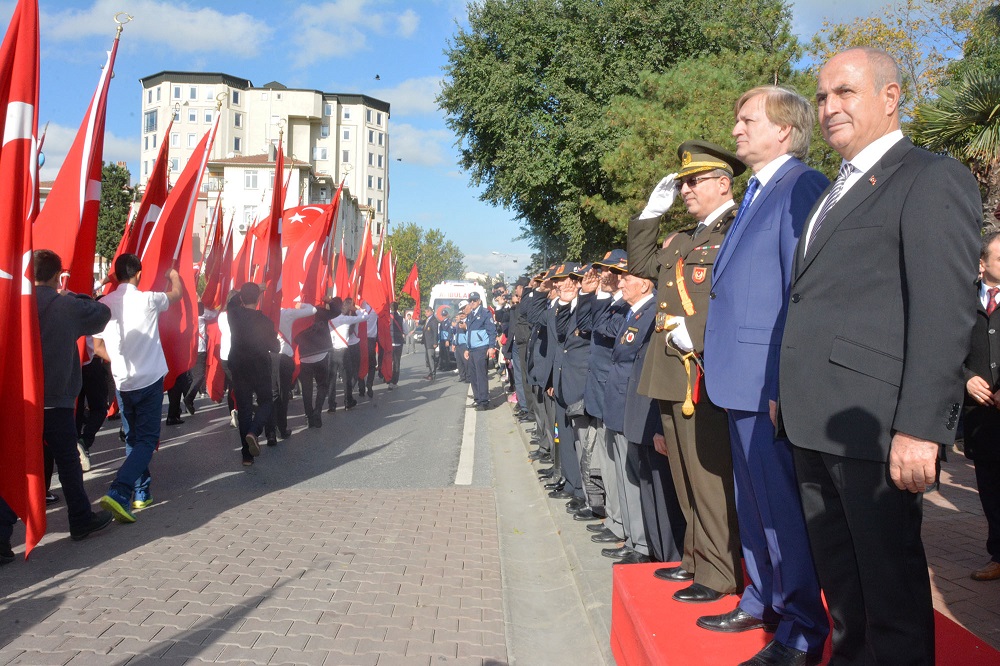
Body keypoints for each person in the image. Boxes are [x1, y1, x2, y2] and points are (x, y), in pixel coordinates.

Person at [780, 47, 982, 664]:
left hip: (876, 427)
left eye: (845, 92)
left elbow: (945, 311)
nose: (829, 107)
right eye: (821, 97)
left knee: (889, 599)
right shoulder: (830, 193)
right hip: (814, 420)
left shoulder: (929, 176)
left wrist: (920, 427)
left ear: (891, 99)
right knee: (844, 594)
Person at [700, 85, 830, 665]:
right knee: (751, 502)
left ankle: (802, 628)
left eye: (746, 119)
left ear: (784, 130)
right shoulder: (757, 192)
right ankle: (761, 600)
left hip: (766, 380)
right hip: (737, 377)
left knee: (780, 508)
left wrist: (783, 382)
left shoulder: (800, 186)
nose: (735, 130)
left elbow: (803, 292)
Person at [628, 141, 744, 603]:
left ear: (722, 183)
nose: (684, 189)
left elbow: (738, 296)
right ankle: (695, 559)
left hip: (704, 369)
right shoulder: (683, 239)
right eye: (680, 183)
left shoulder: (738, 228)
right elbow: (641, 265)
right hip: (672, 371)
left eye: (693, 181)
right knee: (683, 475)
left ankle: (720, 572)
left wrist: (701, 336)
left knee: (708, 477)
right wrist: (650, 214)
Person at [93, 253, 183, 523]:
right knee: (146, 441)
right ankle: (120, 490)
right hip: (150, 380)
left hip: (123, 382)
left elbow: (98, 348)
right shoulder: (148, 299)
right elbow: (176, 294)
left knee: (133, 439)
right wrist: (174, 275)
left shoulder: (103, 304)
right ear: (139, 274)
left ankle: (141, 493)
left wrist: (118, 359)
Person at [34, 250, 114, 540]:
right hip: (56, 399)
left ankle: (3, 533)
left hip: (23, 400)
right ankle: (80, 519)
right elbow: (101, 315)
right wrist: (75, 295)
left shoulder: (16, 302)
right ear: (58, 276)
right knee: (68, 464)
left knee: (19, 465)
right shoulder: (64, 305)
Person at [964, 230, 1000, 582]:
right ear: (982, 263)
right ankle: (998, 555)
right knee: (989, 488)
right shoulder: (962, 301)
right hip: (981, 419)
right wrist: (965, 378)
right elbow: (947, 350)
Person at [227, 283, 278, 466]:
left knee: (245, 410)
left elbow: (232, 302)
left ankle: (246, 456)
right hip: (260, 368)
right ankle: (254, 432)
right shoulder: (266, 321)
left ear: (241, 298)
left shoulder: (234, 315)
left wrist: (244, 292)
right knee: (266, 402)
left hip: (239, 368)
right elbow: (275, 347)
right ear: (258, 299)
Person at [296, 308, 334, 428]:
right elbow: (336, 310)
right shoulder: (320, 310)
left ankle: (309, 417)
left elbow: (294, 337)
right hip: (321, 354)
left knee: (307, 389)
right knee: (322, 385)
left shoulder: (297, 311)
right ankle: (317, 411)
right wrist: (328, 301)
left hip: (305, 356)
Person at [465, 292, 497, 410]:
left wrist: (491, 347)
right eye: (470, 300)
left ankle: (484, 401)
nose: (472, 303)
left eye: (474, 300)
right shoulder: (471, 314)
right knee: (473, 376)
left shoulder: (484, 313)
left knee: (481, 375)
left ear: (479, 301)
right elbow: (469, 333)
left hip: (481, 348)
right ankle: (478, 398)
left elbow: (491, 331)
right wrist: (467, 349)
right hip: (472, 349)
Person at [388, 302, 405, 388]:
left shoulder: (386, 317)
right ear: (397, 308)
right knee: (396, 362)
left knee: (388, 361)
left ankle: (387, 378)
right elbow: (405, 330)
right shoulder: (401, 318)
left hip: (389, 343)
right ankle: (394, 382)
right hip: (398, 343)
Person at [422, 307, 439, 380]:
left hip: (431, 342)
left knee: (431, 358)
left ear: (431, 312)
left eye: (427, 312)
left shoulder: (433, 320)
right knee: (427, 359)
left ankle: (433, 374)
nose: (426, 313)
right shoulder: (427, 319)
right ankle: (430, 372)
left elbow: (435, 332)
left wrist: (435, 342)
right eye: (425, 312)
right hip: (427, 342)